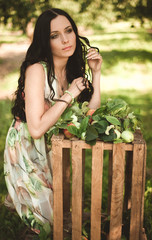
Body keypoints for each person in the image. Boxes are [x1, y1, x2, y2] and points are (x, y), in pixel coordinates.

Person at [4, 8, 102, 236]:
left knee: (64, 219)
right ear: (44, 41)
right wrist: (69, 95)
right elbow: (36, 129)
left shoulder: (71, 70)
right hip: (27, 150)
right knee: (50, 227)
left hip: (51, 149)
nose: (66, 39)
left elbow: (91, 115)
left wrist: (96, 74)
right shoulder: (37, 70)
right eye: (54, 35)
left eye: (68, 31)